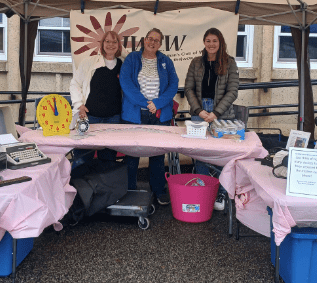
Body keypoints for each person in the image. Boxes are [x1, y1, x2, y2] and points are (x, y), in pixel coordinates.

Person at [120, 28, 179, 205]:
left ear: (160, 44)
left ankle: (158, 190)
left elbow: (173, 85)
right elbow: (126, 83)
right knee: (132, 155)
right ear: (144, 40)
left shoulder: (165, 61)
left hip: (159, 115)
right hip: (135, 114)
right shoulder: (132, 58)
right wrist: (146, 103)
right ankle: (129, 189)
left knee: (158, 155)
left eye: (156, 40)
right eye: (150, 38)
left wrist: (158, 103)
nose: (152, 42)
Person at [184, 27, 239, 210]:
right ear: (204, 42)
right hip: (199, 114)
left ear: (220, 42)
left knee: (222, 155)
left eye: (215, 41)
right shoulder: (196, 63)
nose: (211, 44)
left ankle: (221, 192)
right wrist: (199, 110)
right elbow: (189, 89)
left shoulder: (230, 63)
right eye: (208, 41)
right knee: (200, 154)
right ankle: (204, 189)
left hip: (222, 116)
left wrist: (216, 113)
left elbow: (232, 91)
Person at [69, 30, 126, 165]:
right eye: (107, 41)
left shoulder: (123, 65)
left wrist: (122, 52)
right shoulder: (89, 62)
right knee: (82, 158)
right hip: (89, 118)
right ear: (102, 44)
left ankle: (104, 180)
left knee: (108, 160)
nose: (110, 45)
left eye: (114, 42)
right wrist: (79, 105)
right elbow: (75, 83)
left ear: (119, 45)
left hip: (113, 119)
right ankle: (78, 179)